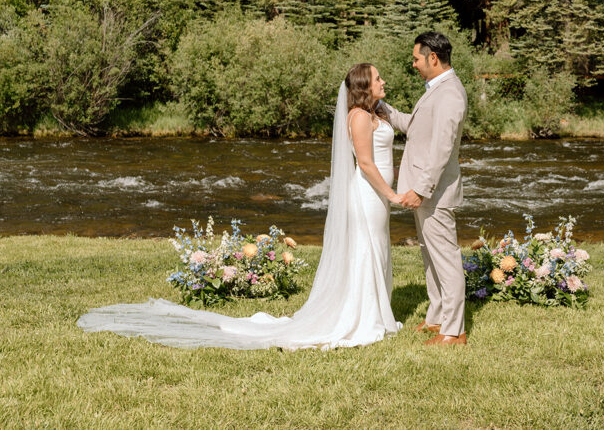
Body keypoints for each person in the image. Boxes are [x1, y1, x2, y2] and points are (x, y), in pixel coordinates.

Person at [76, 63, 402, 350]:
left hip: (379, 195)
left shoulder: (378, 112)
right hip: (369, 194)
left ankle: (378, 311)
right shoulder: (359, 117)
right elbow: (368, 165)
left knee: (377, 248)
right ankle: (363, 317)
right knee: (366, 249)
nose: (383, 81)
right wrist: (393, 194)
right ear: (363, 86)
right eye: (377, 78)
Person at [383, 32, 469, 346]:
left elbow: (442, 149)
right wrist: (384, 110)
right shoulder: (437, 90)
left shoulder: (450, 93)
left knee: (445, 258)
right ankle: (437, 318)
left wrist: (421, 189)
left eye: (417, 58)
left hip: (435, 192)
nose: (414, 63)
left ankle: (454, 331)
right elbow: (416, 129)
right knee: (430, 256)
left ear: (433, 57)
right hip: (426, 192)